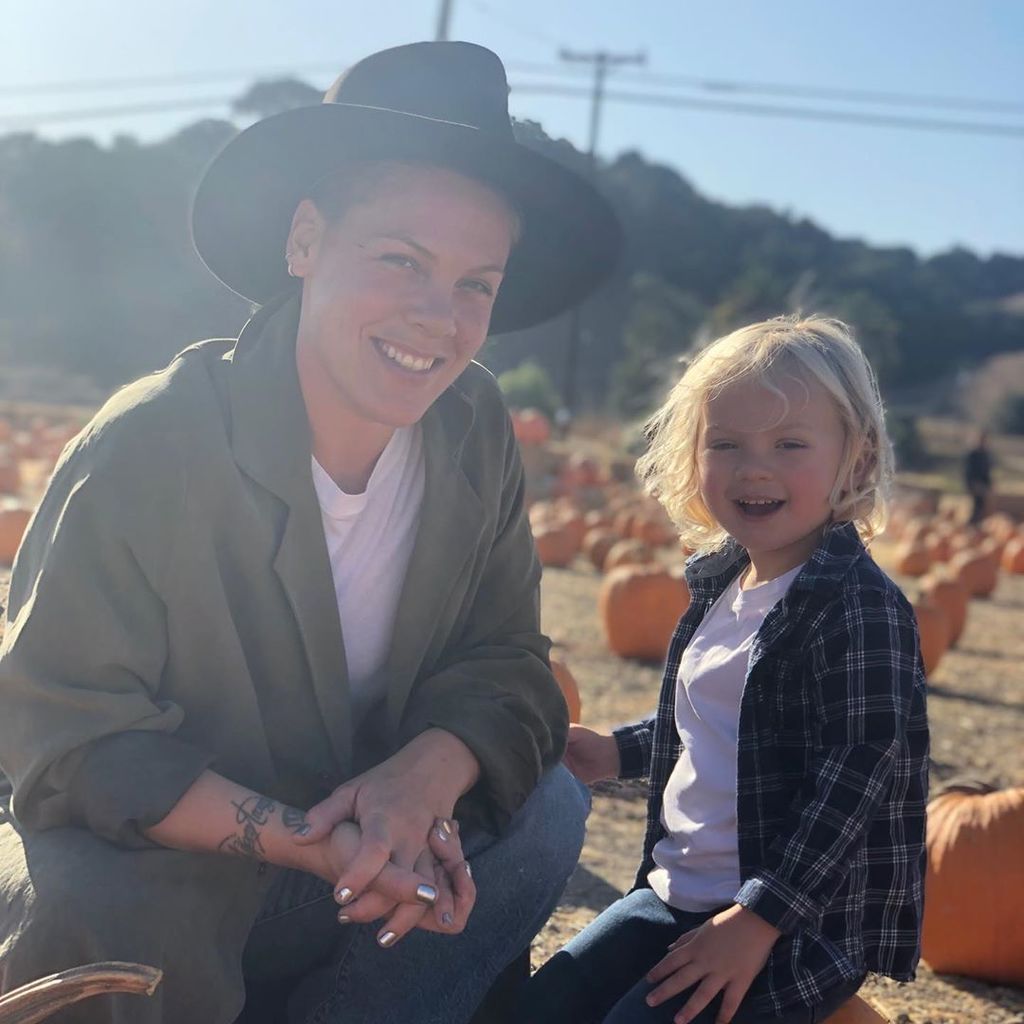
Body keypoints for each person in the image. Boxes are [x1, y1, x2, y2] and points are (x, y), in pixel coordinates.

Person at [0, 41, 621, 1024]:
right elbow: (70, 738)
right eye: (400, 260)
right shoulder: (148, 444)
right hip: (176, 864)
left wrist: (424, 771)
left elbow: (505, 655)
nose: (439, 317)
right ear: (304, 241)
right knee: (106, 909)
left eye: (476, 284)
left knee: (545, 811)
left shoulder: (474, 429)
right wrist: (306, 837)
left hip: (361, 858)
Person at [515, 316, 929, 1024]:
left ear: (856, 461)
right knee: (541, 1009)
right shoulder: (723, 585)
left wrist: (760, 918)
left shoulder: (859, 608)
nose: (753, 468)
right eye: (727, 443)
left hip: (787, 928)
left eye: (789, 445)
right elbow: (722, 725)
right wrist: (617, 750)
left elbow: (855, 779)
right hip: (676, 894)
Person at [964, 428, 993, 525]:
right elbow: (969, 471)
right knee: (974, 506)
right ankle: (971, 525)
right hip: (975, 484)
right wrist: (973, 484)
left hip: (983, 485)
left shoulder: (985, 454)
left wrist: (989, 484)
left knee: (982, 506)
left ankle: (978, 525)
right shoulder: (973, 454)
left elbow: (987, 471)